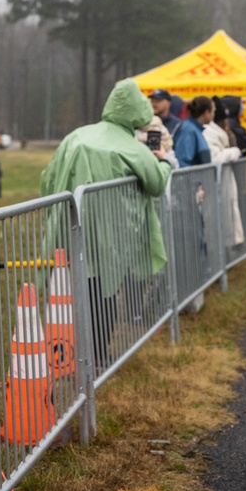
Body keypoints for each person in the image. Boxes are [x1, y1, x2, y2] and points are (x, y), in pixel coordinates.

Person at [40, 78, 171, 366]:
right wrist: (164, 162)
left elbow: (47, 179)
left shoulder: (75, 137)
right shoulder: (133, 148)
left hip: (71, 228)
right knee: (107, 291)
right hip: (114, 234)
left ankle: (70, 350)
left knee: (76, 289)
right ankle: (97, 354)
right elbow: (156, 183)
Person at [200, 96, 245, 247]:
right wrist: (234, 152)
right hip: (214, 184)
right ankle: (219, 254)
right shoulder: (209, 133)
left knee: (226, 215)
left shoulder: (218, 132)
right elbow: (215, 158)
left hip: (222, 182)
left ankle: (227, 248)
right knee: (217, 218)